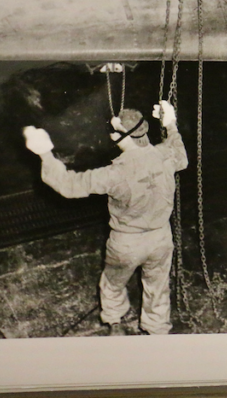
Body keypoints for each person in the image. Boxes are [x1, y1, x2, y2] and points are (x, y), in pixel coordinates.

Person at [22, 101, 187, 336]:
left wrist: (45, 154)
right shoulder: (165, 154)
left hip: (126, 243)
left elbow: (69, 186)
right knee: (158, 286)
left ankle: (114, 321)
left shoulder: (115, 173)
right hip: (161, 238)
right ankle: (157, 330)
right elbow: (180, 152)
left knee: (112, 282)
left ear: (119, 137)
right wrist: (170, 123)